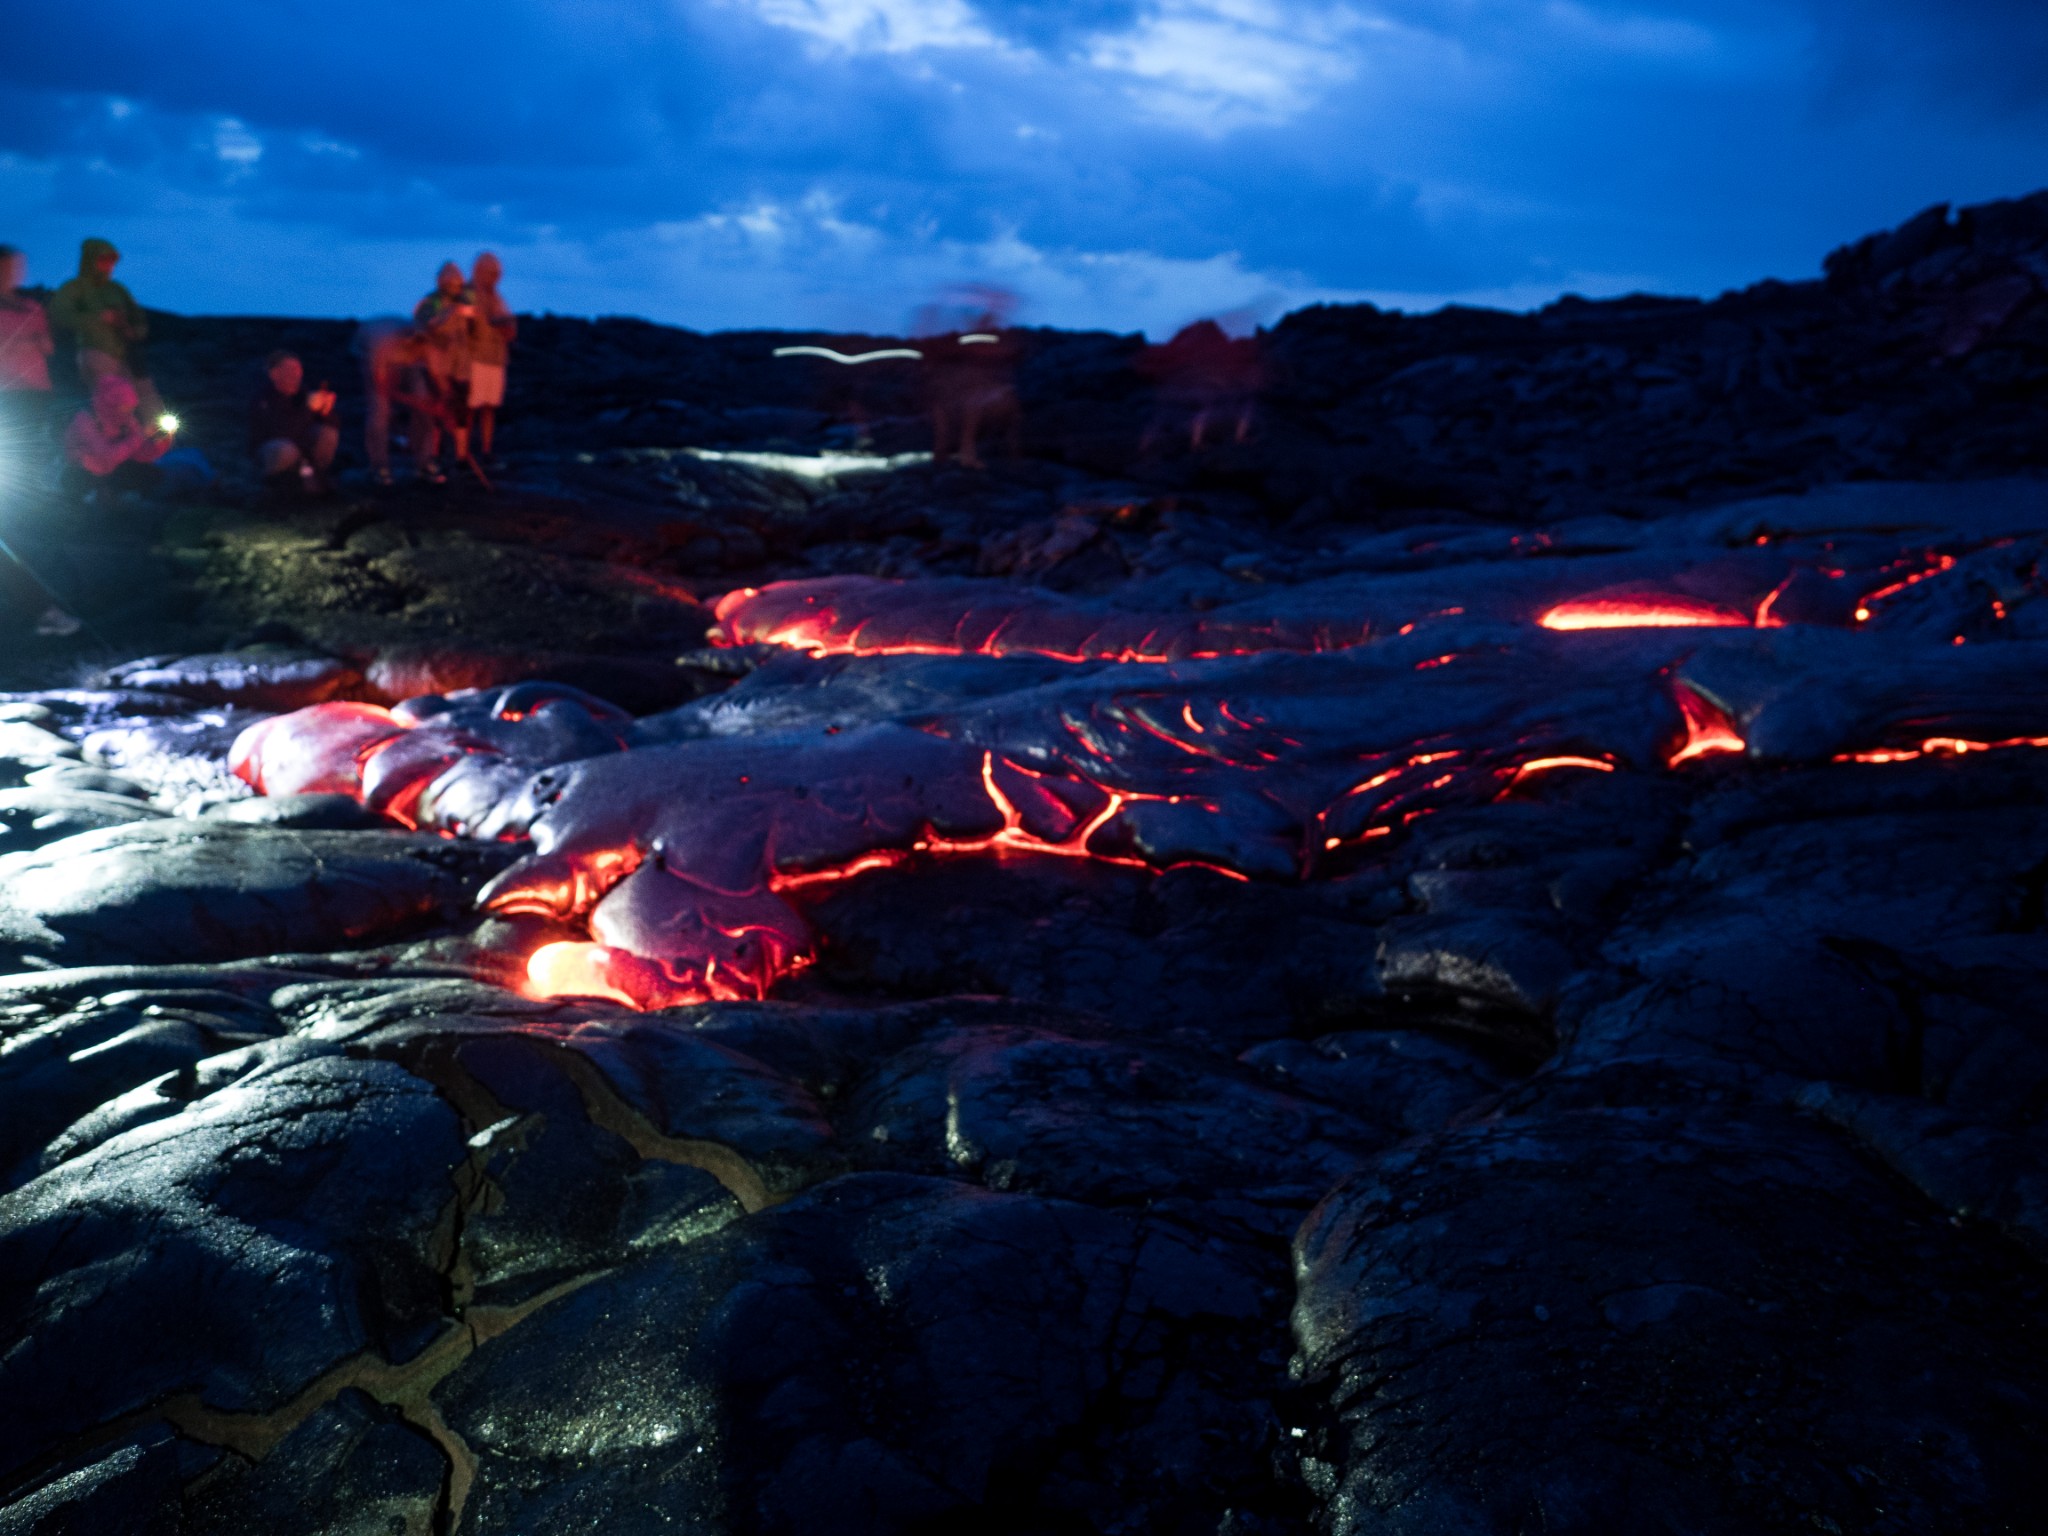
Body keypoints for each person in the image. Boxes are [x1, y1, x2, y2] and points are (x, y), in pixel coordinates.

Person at [47, 238, 163, 418]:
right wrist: (98, 318)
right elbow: (60, 314)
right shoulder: (75, 288)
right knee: (112, 398)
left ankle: (160, 439)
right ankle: (115, 438)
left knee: (147, 396)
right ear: (90, 260)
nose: (109, 265)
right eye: (103, 260)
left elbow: (137, 317)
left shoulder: (117, 289)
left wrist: (134, 330)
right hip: (95, 351)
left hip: (127, 354)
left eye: (112, 261)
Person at [354, 318, 450, 486]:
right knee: (380, 410)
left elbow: (439, 382)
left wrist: (441, 406)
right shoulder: (382, 344)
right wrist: (415, 402)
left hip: (408, 364)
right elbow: (383, 388)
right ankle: (379, 466)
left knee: (425, 405)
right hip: (371, 352)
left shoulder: (427, 345)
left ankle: (425, 463)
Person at [413, 262, 473, 480]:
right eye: (452, 283)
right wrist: (449, 312)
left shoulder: (466, 302)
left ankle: (461, 456)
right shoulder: (431, 302)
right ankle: (433, 456)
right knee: (437, 412)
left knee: (461, 412)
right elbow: (426, 327)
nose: (456, 286)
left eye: (458, 283)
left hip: (461, 367)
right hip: (437, 367)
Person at [249, 350, 338, 491]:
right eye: (289, 369)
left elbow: (334, 425)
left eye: (298, 369)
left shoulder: (303, 392)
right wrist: (307, 408)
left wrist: (325, 410)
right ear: (274, 374)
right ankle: (273, 484)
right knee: (283, 449)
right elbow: (281, 432)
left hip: (301, 450)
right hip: (270, 450)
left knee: (327, 433)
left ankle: (316, 477)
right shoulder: (264, 398)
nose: (296, 374)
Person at [467, 252, 515, 463]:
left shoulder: (498, 297)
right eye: (490, 272)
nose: (494, 277)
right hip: (475, 358)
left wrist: (503, 325)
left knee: (489, 407)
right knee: (470, 406)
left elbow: (510, 329)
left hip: (495, 358)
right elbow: (467, 326)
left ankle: (486, 450)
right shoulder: (469, 294)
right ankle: (463, 449)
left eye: (496, 273)